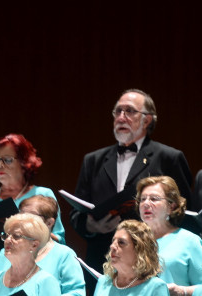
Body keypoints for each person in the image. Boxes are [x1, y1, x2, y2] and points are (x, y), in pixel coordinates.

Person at [70, 89, 192, 273]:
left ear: (147, 119)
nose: (121, 117)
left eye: (130, 111)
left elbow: (185, 211)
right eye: (118, 111)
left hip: (152, 257)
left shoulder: (169, 158)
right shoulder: (93, 160)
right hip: (103, 258)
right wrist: (90, 225)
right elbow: (76, 213)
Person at [0, 133, 65, 273]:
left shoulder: (42, 194)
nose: (0, 165)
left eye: (7, 160)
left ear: (23, 162)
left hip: (30, 273)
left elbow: (59, 240)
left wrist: (30, 233)